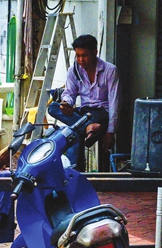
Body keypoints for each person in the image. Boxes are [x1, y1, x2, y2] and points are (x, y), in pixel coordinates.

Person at [47, 34, 118, 168]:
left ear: (95, 53)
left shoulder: (110, 71)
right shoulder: (73, 70)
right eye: (77, 56)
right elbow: (69, 93)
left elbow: (114, 102)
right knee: (53, 108)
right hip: (84, 112)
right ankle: (88, 127)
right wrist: (66, 104)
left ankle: (75, 170)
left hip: (102, 113)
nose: (80, 60)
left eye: (84, 55)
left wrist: (111, 131)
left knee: (74, 132)